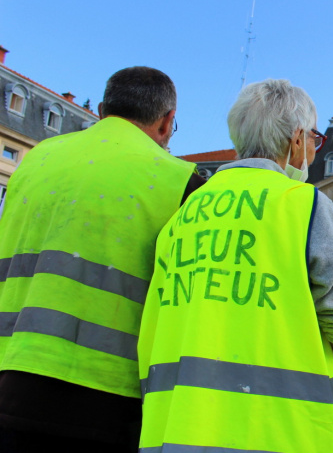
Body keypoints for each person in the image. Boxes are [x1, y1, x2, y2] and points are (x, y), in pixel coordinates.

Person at [138, 79, 333, 453]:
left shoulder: (184, 213)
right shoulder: (303, 204)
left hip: (177, 425)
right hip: (278, 430)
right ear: (296, 140)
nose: (312, 149)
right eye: (313, 139)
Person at [0, 66, 204, 452]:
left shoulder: (35, 160)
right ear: (166, 122)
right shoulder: (180, 181)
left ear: (103, 109)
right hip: (105, 397)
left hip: (9, 374)